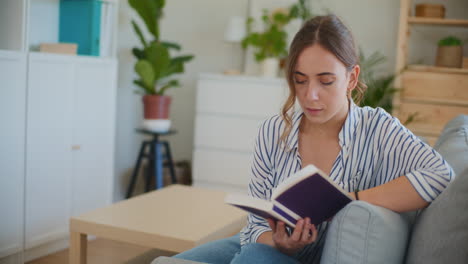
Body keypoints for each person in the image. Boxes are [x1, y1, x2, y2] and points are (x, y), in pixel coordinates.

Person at [169, 14, 454, 264]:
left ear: (352, 78)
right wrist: (280, 243)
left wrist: (352, 199)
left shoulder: (377, 128)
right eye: (300, 80)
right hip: (263, 248)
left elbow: (441, 175)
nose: (310, 95)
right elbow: (255, 226)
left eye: (325, 81)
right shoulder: (273, 131)